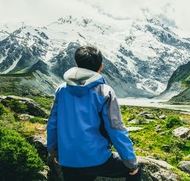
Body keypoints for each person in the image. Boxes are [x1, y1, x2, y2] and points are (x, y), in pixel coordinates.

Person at [46, 46, 140, 181]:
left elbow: (52, 124)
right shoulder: (104, 91)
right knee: (135, 172)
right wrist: (132, 164)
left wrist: (55, 152)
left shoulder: (61, 90)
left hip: (69, 160)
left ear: (77, 64)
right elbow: (116, 129)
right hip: (98, 159)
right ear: (101, 66)